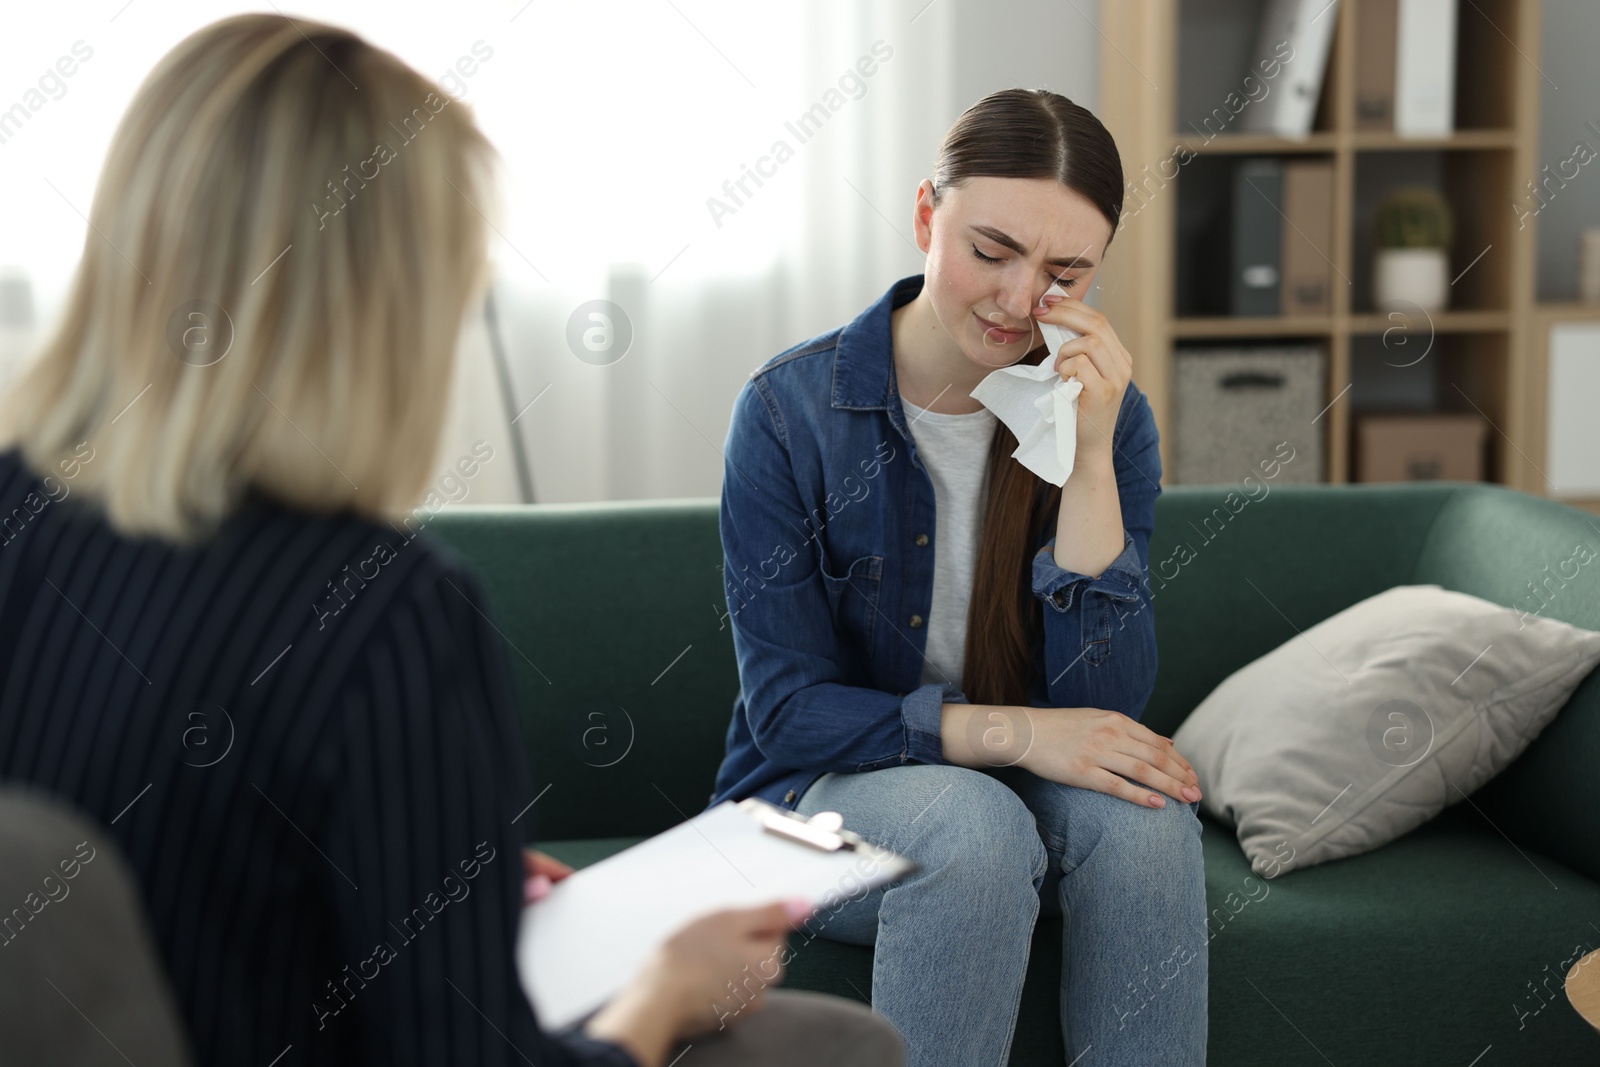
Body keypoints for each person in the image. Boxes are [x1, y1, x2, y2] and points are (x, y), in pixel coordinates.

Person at [0, 14, 902, 1067]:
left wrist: (441, 861)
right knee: (826, 1047)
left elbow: (146, 841)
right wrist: (662, 995)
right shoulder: (383, 608)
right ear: (389, 310)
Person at [708, 88, 1209, 1065]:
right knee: (974, 825)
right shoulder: (787, 411)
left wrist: (1094, 456)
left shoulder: (1111, 415)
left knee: (1150, 827)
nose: (1022, 302)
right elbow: (788, 711)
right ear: (926, 217)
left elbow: (1105, 698)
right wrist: (1014, 730)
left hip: (1017, 797)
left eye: (1065, 274)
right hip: (808, 804)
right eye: (992, 251)